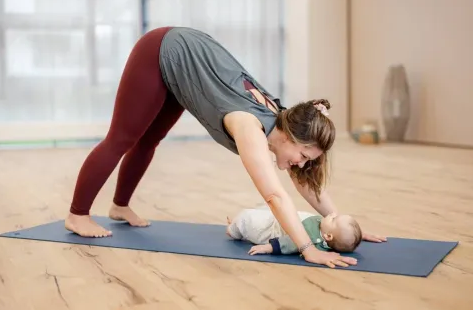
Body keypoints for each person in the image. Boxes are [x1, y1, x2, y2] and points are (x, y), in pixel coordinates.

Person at [64, 26, 386, 269]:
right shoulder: (251, 129)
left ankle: (119, 206)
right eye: (303, 156)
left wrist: (343, 222)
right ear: (289, 138)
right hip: (161, 52)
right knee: (122, 137)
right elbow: (275, 196)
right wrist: (307, 249)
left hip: (186, 69)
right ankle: (77, 214)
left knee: (149, 139)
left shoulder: (284, 122)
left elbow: (305, 183)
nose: (301, 165)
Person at [226, 206, 362, 256]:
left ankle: (233, 230)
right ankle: (236, 224)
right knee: (262, 208)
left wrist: (268, 248)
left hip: (270, 230)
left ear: (328, 236)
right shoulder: (322, 228)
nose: (332, 214)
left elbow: (289, 243)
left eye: (334, 219)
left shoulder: (312, 236)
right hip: (278, 219)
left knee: (246, 218)